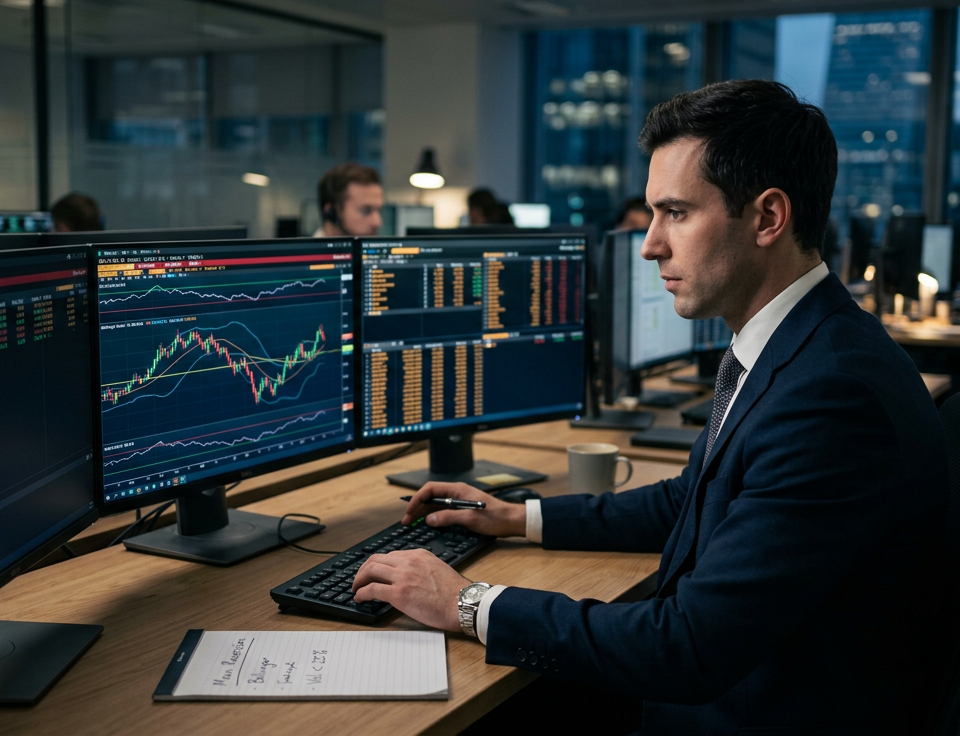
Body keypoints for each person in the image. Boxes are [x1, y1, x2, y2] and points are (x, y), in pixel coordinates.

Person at [353, 80, 949, 734]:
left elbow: (688, 645)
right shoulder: (800, 343)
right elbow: (689, 499)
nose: (649, 244)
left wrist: (466, 602)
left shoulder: (832, 394)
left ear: (768, 218)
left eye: (676, 213)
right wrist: (516, 517)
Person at [314, 162, 383, 237]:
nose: (377, 222)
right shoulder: (306, 249)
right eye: (366, 211)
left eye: (379, 210)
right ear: (331, 212)